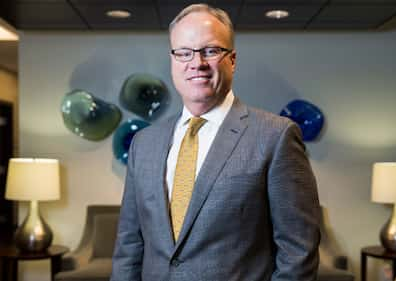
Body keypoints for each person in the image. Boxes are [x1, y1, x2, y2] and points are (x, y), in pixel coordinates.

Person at [111, 3, 320, 281]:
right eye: (184, 52)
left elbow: (299, 252)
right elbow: (129, 246)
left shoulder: (276, 136)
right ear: (173, 60)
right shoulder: (144, 143)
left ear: (232, 60)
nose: (196, 63)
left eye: (210, 51)